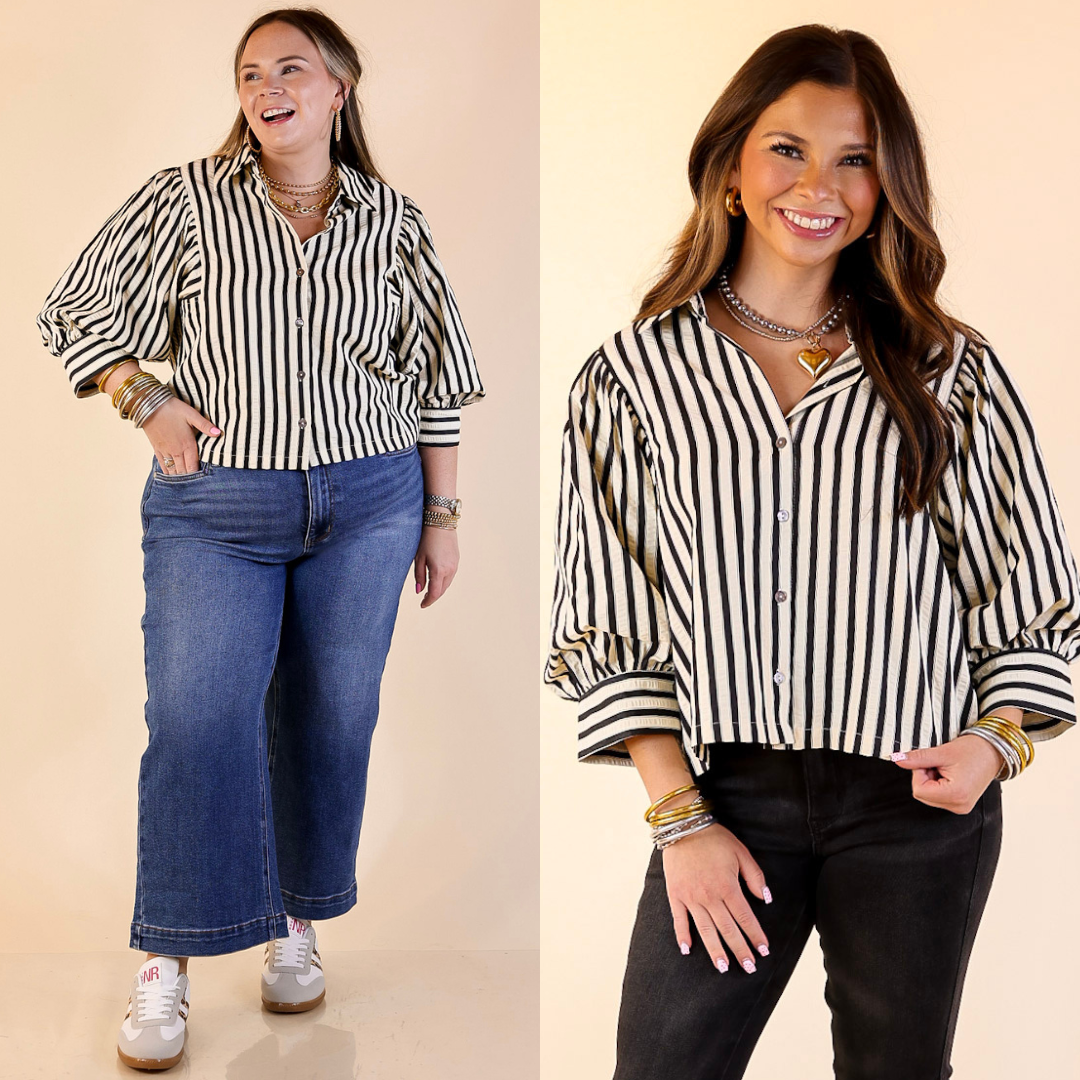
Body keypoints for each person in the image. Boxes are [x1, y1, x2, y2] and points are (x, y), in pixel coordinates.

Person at [545, 24, 1080, 1080]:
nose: (820, 183)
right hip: (723, 797)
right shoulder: (632, 379)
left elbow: (1030, 599)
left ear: (887, 186)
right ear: (735, 167)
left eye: (856, 157)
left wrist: (994, 747)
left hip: (917, 803)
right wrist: (680, 819)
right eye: (788, 148)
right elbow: (610, 619)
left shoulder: (946, 372)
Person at [36, 7, 484, 1071]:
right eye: (249, 72)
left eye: (292, 68)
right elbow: (72, 308)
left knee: (333, 718)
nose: (267, 86)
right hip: (218, 512)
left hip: (369, 505)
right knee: (198, 720)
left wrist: (442, 514)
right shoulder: (187, 200)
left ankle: (295, 919)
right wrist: (142, 397)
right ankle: (168, 961)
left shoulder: (393, 221)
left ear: (339, 87)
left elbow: (437, 380)